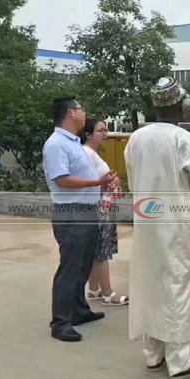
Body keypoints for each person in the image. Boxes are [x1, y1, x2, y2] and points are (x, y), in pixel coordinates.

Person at [124, 78, 190, 379]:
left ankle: (153, 356)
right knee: (177, 285)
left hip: (147, 223)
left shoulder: (136, 139)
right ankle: (179, 362)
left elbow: (133, 182)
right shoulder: (184, 140)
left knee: (149, 284)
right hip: (177, 226)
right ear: (179, 104)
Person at [43, 97, 117, 342]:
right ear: (71, 112)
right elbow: (61, 179)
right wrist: (98, 182)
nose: (86, 114)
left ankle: (78, 311)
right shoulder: (56, 144)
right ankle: (60, 322)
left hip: (86, 210)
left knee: (83, 264)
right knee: (70, 267)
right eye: (82, 109)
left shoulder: (73, 143)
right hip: (71, 212)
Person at [81, 119, 128, 306]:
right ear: (89, 135)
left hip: (104, 205)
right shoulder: (86, 153)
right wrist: (107, 184)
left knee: (97, 250)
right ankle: (108, 293)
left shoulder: (92, 153)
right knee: (102, 251)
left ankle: (94, 289)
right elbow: (88, 182)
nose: (105, 133)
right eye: (101, 130)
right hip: (98, 207)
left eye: (106, 130)